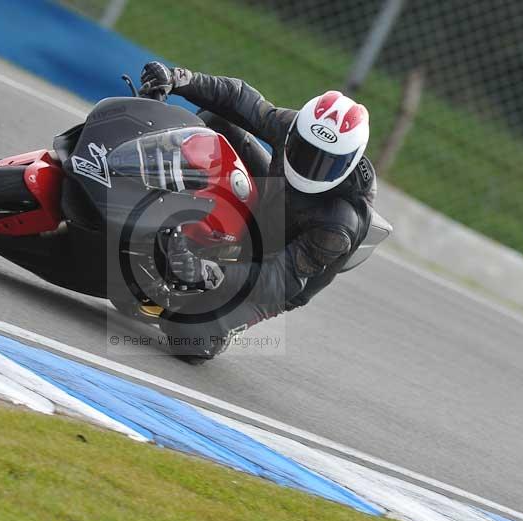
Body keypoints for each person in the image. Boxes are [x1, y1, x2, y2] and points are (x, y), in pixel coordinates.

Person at [138, 61, 378, 363]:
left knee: (188, 338)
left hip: (280, 272)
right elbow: (239, 98)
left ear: (350, 162)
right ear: (296, 135)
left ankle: (213, 312)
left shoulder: (340, 223)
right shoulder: (291, 127)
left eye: (326, 162)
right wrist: (179, 78)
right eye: (305, 150)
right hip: (271, 201)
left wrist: (210, 273)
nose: (310, 166)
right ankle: (157, 192)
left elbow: (279, 279)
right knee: (218, 120)